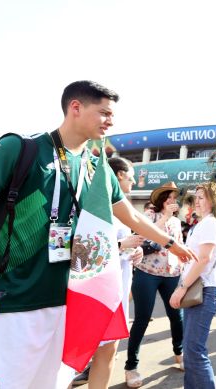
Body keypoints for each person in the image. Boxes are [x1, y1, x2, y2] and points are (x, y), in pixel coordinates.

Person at [0, 80, 194, 389]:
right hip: (7, 304)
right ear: (76, 107)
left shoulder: (98, 167)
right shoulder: (21, 148)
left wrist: (171, 243)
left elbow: (131, 214)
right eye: (105, 113)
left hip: (64, 305)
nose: (111, 121)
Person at [73, 156, 146, 388]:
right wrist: (122, 245)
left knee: (109, 348)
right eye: (131, 178)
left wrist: (135, 252)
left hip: (117, 289)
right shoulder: (90, 204)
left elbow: (124, 243)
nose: (133, 183)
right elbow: (79, 251)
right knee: (78, 352)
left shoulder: (121, 208)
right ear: (119, 176)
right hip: (93, 291)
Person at [124, 181, 187, 388]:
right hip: (147, 272)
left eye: (174, 199)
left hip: (171, 273)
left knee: (176, 316)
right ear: (161, 200)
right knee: (142, 318)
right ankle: (131, 366)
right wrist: (165, 218)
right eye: (168, 198)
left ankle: (179, 354)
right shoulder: (149, 217)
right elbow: (142, 238)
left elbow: (178, 245)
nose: (172, 202)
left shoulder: (177, 222)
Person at [170, 182, 216, 388]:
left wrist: (182, 287)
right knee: (190, 348)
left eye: (202, 197)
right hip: (201, 287)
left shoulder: (211, 223)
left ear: (214, 201)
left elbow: (203, 259)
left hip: (205, 288)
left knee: (194, 349)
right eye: (196, 197)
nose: (197, 201)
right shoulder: (202, 224)